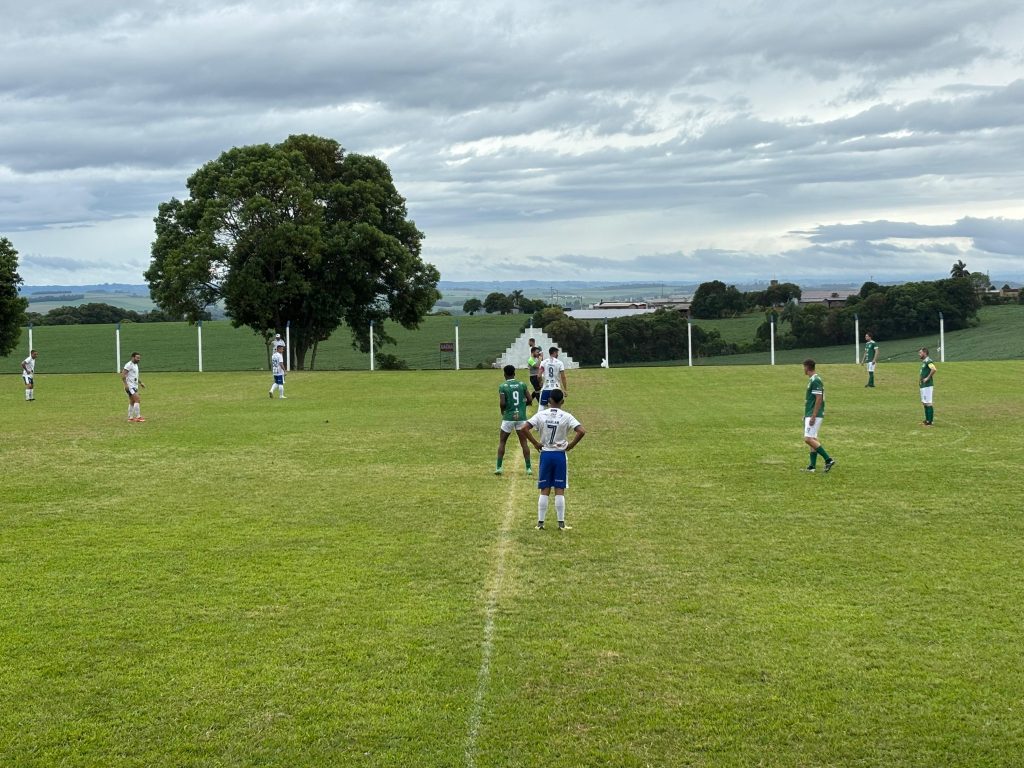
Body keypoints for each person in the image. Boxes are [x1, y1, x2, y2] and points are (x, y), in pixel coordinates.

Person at [518, 389, 585, 530]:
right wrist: (571, 445)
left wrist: (536, 443)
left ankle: (540, 523)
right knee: (559, 489)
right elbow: (581, 431)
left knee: (544, 488)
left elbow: (524, 428)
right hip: (559, 455)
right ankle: (561, 523)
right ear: (562, 401)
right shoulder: (567, 416)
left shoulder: (541, 414)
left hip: (546, 454)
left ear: (548, 401)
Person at [495, 364, 533, 476]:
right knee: (524, 442)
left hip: (508, 417)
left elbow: (502, 402)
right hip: (521, 417)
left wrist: (503, 410)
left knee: (502, 442)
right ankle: (528, 468)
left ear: (505, 374)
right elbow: (530, 399)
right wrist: (523, 404)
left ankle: (499, 467)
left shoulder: (503, 386)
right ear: (514, 373)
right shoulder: (522, 384)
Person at [801, 359, 835, 473]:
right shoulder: (812, 380)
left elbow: (819, 399)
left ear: (807, 367)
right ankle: (812, 466)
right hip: (810, 413)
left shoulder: (816, 380)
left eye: (804, 367)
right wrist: (806, 415)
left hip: (814, 414)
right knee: (813, 438)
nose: (803, 369)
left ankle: (828, 459)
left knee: (808, 438)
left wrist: (813, 416)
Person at [121, 352, 146, 422]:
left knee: (132, 401)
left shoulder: (135, 365)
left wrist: (141, 383)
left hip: (134, 386)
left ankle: (130, 418)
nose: (139, 359)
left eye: (139, 358)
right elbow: (123, 375)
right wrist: (126, 385)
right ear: (133, 357)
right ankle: (138, 417)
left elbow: (135, 376)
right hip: (130, 386)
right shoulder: (129, 365)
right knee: (137, 399)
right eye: (137, 358)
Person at [918, 347, 937, 425]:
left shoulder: (928, 361)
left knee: (928, 403)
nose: (919, 354)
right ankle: (927, 420)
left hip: (927, 386)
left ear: (925, 353)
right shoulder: (924, 362)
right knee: (925, 403)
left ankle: (930, 421)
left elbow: (934, 369)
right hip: (923, 385)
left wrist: (927, 378)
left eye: (920, 352)